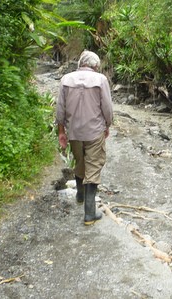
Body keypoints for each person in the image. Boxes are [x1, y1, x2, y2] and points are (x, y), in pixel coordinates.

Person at [56, 50, 113, 226]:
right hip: (94, 131)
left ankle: (80, 194)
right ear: (95, 66)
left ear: (81, 63)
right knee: (93, 166)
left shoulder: (66, 79)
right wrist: (107, 125)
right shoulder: (101, 79)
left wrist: (61, 131)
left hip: (74, 131)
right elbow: (107, 107)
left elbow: (60, 109)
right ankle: (89, 213)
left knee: (80, 161)